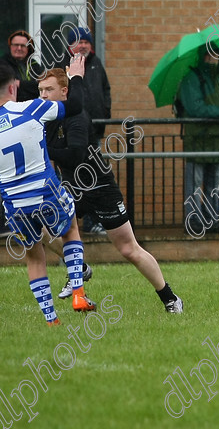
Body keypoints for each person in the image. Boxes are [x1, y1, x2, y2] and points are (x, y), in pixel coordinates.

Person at [38, 69, 183, 313]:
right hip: (72, 187)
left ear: (64, 92)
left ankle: (170, 298)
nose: (43, 95)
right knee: (41, 227)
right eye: (40, 90)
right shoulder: (47, 117)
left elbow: (74, 155)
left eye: (48, 90)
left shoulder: (76, 116)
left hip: (99, 186)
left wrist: (41, 151)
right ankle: (79, 268)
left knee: (129, 249)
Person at [0, 57, 97, 325]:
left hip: (14, 203)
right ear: (14, 87)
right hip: (45, 191)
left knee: (34, 256)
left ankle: (51, 319)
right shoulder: (31, 108)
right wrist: (76, 76)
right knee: (70, 231)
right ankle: (78, 293)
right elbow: (76, 105)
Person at [57, 27, 112, 235]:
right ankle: (66, 226)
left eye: (87, 42)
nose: (83, 45)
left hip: (93, 135)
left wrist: (105, 113)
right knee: (68, 181)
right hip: (70, 136)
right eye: (79, 42)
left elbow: (106, 90)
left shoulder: (96, 64)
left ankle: (92, 223)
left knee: (92, 178)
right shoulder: (63, 66)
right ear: (70, 45)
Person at [0, 30, 43, 238]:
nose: (19, 48)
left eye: (23, 45)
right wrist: (25, 88)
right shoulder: (1, 66)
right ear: (9, 47)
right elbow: (4, 89)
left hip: (27, 130)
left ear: (29, 48)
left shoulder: (34, 67)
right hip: (3, 127)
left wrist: (24, 86)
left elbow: (41, 89)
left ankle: (28, 219)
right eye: (15, 45)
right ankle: (1, 222)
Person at [179, 49, 219, 235]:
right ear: (204, 57)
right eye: (212, 55)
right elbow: (195, 108)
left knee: (215, 183)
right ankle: (194, 220)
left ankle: (211, 219)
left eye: (218, 55)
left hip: (218, 139)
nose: (215, 59)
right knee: (195, 183)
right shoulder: (191, 78)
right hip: (198, 140)